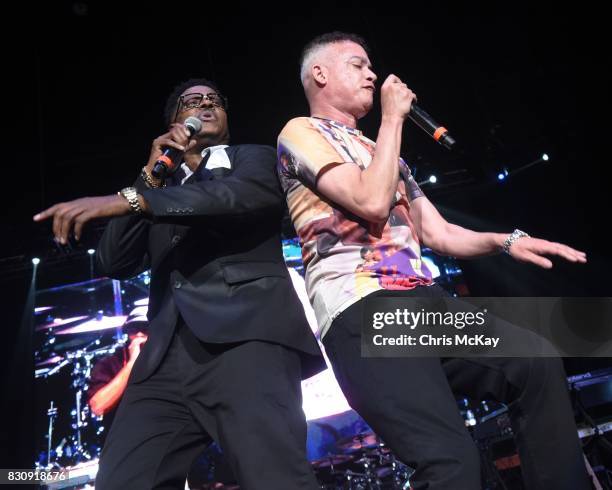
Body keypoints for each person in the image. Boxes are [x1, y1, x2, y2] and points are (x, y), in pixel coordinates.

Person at [277, 32, 590, 489]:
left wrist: (505, 241)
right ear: (319, 73)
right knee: (452, 464)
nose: (372, 74)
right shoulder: (300, 132)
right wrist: (392, 120)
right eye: (358, 64)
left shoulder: (385, 154)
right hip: (365, 310)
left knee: (533, 360)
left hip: (421, 301)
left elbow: (437, 232)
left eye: (371, 66)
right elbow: (369, 201)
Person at [34, 78, 325, 490]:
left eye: (214, 101)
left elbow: (238, 197)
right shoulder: (159, 188)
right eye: (191, 102)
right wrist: (146, 181)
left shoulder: (253, 159)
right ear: (174, 122)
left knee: (274, 477)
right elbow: (114, 260)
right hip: (164, 360)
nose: (205, 105)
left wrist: (135, 201)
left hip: (245, 342)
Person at [87, 316, 149, 440]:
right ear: (127, 332)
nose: (139, 333)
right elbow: (98, 407)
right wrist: (132, 364)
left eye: (146, 327)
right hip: (125, 437)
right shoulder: (109, 363)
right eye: (134, 329)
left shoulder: (170, 357)